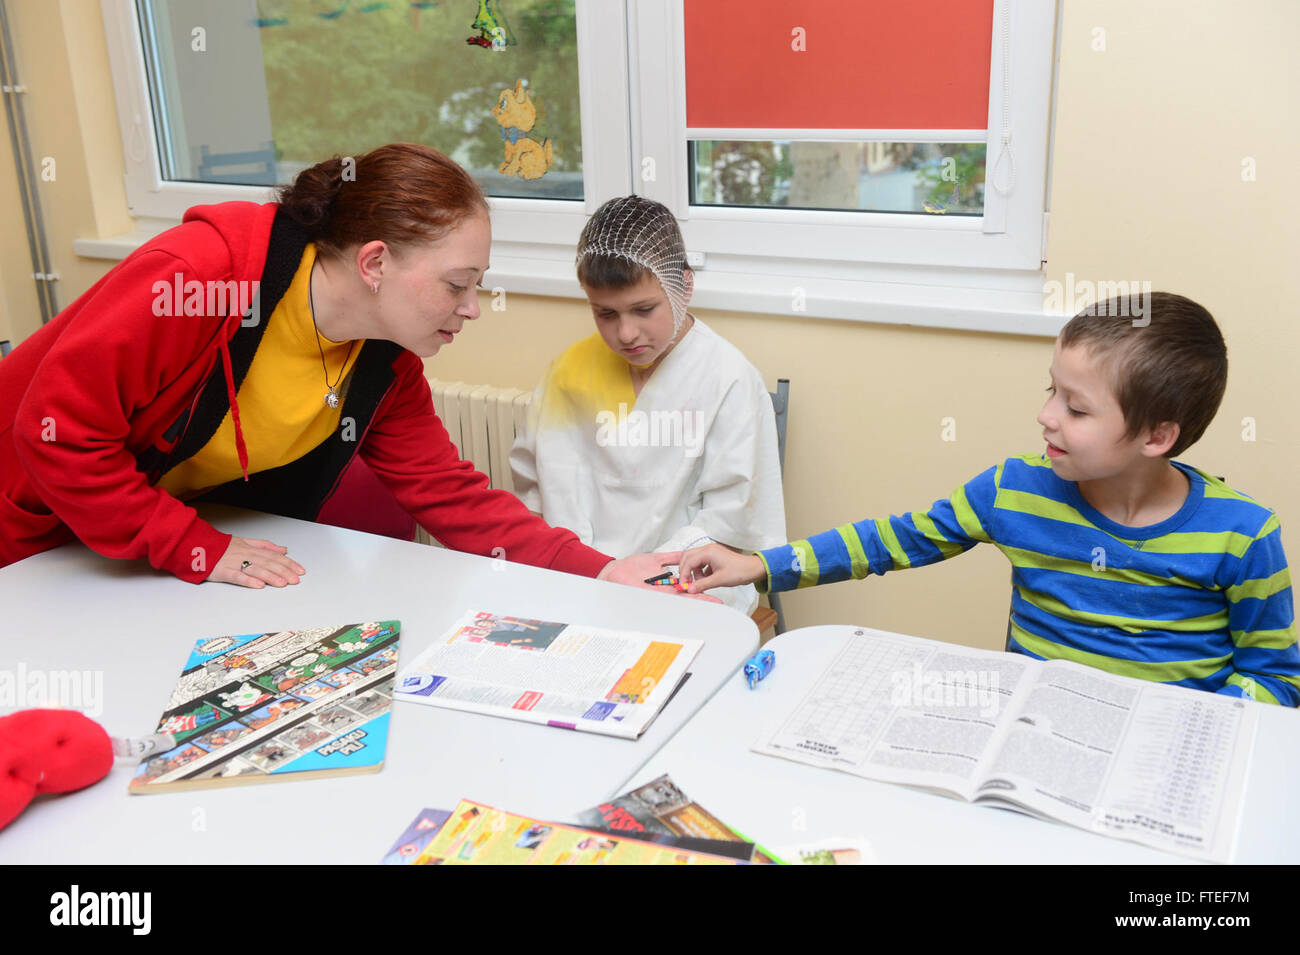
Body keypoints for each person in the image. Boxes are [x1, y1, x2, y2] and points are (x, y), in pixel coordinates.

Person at [0, 143, 683, 594]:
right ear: (376, 263)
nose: (473, 308)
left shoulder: (382, 361)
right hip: (31, 532)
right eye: (457, 284)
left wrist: (601, 570)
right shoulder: (198, 277)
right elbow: (54, 433)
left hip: (122, 554)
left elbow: (451, 496)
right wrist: (191, 543)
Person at [677, 293, 1300, 705]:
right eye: (1051, 390)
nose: (1046, 416)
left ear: (1158, 435)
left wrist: (1193, 726)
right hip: (1032, 732)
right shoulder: (1016, 489)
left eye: (1077, 408)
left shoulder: (1242, 534)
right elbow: (896, 539)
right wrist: (762, 564)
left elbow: (1274, 677)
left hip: (1162, 758)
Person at [509, 195, 786, 613]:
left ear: (684, 286)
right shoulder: (568, 371)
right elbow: (534, 487)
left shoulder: (728, 377)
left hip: (689, 580)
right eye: (605, 313)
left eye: (644, 309)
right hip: (583, 574)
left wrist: (640, 577)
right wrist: (591, 569)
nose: (626, 333)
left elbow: (733, 525)